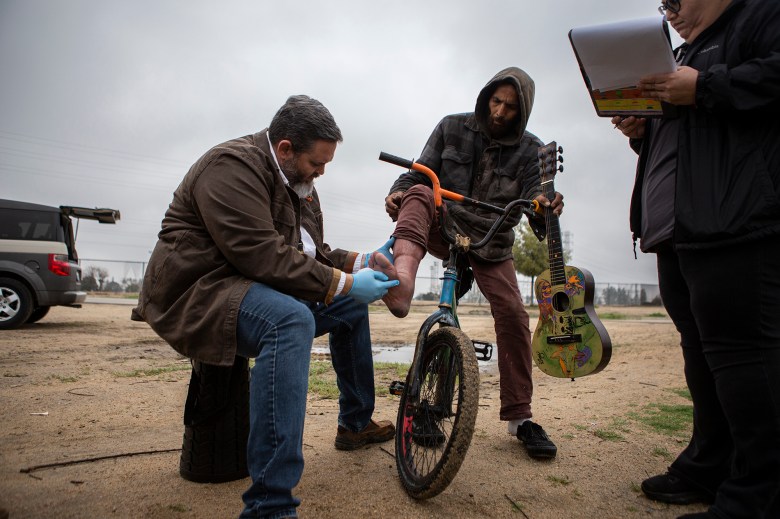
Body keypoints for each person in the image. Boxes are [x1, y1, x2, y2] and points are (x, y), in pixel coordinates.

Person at [132, 95, 400, 519]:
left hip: (248, 285)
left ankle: (355, 423)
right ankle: (270, 505)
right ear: (285, 148)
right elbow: (259, 253)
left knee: (348, 309)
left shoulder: (300, 187)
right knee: (290, 321)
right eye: (317, 162)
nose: (321, 172)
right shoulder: (230, 167)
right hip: (200, 290)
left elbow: (309, 252)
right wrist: (346, 282)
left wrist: (360, 261)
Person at [612, 1, 780, 517]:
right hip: (676, 232)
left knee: (742, 356)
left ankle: (759, 496)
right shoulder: (681, 53)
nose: (670, 11)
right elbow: (686, 143)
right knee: (702, 354)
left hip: (737, 222)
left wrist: (704, 87)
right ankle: (710, 463)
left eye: (675, 1)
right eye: (662, 4)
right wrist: (642, 132)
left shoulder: (762, 15)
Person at [382, 67, 564, 459]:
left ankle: (520, 418)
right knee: (416, 190)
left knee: (514, 314)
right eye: (496, 101)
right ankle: (403, 280)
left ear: (523, 111)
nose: (500, 112)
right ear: (485, 98)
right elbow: (418, 170)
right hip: (442, 224)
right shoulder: (451, 126)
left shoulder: (532, 151)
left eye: (510, 107)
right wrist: (397, 192)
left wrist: (544, 207)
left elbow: (537, 201)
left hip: (490, 240)